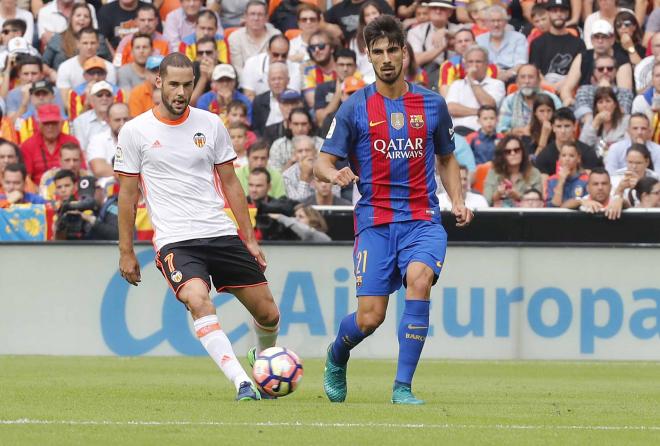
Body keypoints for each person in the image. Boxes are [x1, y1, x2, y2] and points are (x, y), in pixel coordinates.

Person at [313, 15, 472, 405]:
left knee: (419, 280)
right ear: (368, 55)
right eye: (377, 51)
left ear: (405, 52)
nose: (386, 58)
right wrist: (334, 175)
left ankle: (402, 387)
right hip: (376, 223)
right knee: (369, 318)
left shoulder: (432, 104)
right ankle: (337, 354)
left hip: (422, 219)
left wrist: (458, 199)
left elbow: (447, 158)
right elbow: (321, 161)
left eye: (392, 50)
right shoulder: (355, 107)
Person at [115, 53, 280, 401]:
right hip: (176, 241)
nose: (180, 92)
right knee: (199, 300)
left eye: (187, 85)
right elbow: (127, 196)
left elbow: (231, 184)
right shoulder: (135, 131)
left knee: (269, 313)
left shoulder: (211, 124)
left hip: (219, 231)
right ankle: (242, 382)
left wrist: (248, 238)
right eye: (173, 84)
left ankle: (263, 363)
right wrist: (126, 252)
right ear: (158, 82)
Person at [446, 45, 505, 135]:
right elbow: (451, 109)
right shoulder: (456, 84)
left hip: (483, 134)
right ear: (465, 64)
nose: (474, 65)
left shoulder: (497, 84)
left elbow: (489, 105)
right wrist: (479, 112)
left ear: (486, 64)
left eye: (478, 61)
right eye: (470, 62)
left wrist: (472, 81)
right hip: (457, 134)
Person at [528, 0, 584, 90]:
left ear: (567, 13)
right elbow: (535, 71)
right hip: (543, 89)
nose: (559, 14)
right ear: (548, 13)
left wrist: (559, 87)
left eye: (562, 10)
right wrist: (550, 88)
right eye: (554, 11)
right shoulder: (537, 43)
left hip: (569, 88)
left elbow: (579, 71)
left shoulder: (579, 43)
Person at [20, 103, 80, 184]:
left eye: (54, 123)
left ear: (61, 123)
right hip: (38, 192)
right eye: (46, 123)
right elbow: (26, 179)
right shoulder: (28, 146)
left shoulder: (72, 141)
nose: (50, 127)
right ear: (38, 124)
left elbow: (81, 171)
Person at [42, 3, 111, 71]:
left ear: (90, 21)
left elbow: (108, 63)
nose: (82, 18)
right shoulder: (58, 38)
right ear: (71, 18)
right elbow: (43, 64)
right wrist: (51, 73)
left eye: (86, 16)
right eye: (78, 15)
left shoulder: (99, 39)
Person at [497, 64, 562, 136]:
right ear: (517, 82)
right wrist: (519, 131)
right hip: (518, 143)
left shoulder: (552, 98)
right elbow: (501, 129)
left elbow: (562, 125)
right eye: (523, 77)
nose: (527, 81)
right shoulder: (509, 100)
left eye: (531, 77)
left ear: (538, 81)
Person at [534, 107, 602, 176]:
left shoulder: (587, 153)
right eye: (559, 126)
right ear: (553, 128)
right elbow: (543, 185)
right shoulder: (544, 156)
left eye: (567, 126)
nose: (563, 131)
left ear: (575, 126)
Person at [483, 135, 543, 207]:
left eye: (516, 150)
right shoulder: (493, 173)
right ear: (502, 155)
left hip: (527, 216)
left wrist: (518, 196)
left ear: (522, 152)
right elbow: (485, 202)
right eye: (508, 152)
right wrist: (498, 194)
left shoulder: (534, 173)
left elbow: (538, 203)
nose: (513, 153)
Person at [573, 55, 634, 124]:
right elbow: (585, 117)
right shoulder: (584, 90)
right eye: (600, 69)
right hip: (591, 131)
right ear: (594, 72)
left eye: (610, 69)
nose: (605, 71)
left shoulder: (625, 93)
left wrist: (608, 91)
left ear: (616, 71)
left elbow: (623, 116)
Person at [226, 1, 280, 77]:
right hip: (244, 83)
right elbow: (237, 69)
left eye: (260, 14)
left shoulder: (276, 35)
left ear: (266, 17)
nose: (256, 18)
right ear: (245, 17)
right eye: (252, 14)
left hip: (272, 81)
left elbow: (279, 64)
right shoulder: (235, 37)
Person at [475, 5, 528, 83]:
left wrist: (508, 74)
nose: (496, 24)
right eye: (492, 21)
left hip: (513, 77)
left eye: (499, 20)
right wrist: (494, 74)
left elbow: (521, 62)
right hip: (487, 76)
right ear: (486, 23)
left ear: (506, 22)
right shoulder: (479, 40)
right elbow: (478, 63)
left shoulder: (519, 38)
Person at [240, 34, 300, 102]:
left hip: (285, 106)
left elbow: (291, 97)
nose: (279, 59)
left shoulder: (295, 68)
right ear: (268, 51)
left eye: (284, 55)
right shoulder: (251, 63)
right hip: (259, 107)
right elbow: (249, 95)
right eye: (275, 55)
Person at [270, 107, 324, 172]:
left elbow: (324, 171)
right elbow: (275, 176)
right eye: (296, 124)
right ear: (289, 125)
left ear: (310, 125)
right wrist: (291, 162)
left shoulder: (321, 144)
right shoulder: (278, 145)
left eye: (304, 124)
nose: (300, 128)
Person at [578, 87, 630, 155]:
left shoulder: (626, 120)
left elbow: (628, 145)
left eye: (608, 101)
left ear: (615, 105)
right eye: (600, 102)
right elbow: (582, 147)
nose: (604, 105)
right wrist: (595, 123)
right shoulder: (591, 120)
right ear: (596, 106)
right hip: (595, 162)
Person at [87, 102, 131, 178]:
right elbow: (99, 169)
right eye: (117, 120)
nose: (122, 123)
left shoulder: (139, 138)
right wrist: (133, 173)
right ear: (108, 120)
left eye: (125, 119)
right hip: (108, 187)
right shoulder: (97, 140)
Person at [71, 80, 113, 154]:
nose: (104, 98)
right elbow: (81, 151)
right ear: (92, 99)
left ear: (112, 99)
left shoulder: (121, 119)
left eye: (108, 95)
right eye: (99, 95)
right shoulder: (80, 121)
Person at [545, 142, 590, 207]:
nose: (567, 159)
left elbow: (587, 203)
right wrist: (560, 181)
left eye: (571, 156)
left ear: (578, 159)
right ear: (559, 158)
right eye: (563, 155)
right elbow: (554, 206)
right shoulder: (552, 180)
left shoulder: (586, 180)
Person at [268, 203, 332, 242]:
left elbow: (307, 232)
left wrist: (280, 217)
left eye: (301, 217)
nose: (296, 219)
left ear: (313, 219)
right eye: (295, 216)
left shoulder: (318, 235)